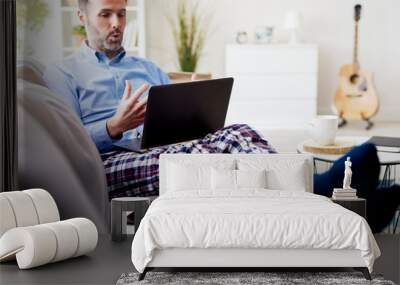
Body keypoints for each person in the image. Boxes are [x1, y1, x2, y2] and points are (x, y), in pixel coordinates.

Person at [44, 0, 399, 233]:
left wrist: (193, 108)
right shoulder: (65, 73)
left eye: (121, 13)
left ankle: (320, 197)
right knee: (212, 156)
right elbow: (65, 146)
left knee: (236, 133)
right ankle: (317, 194)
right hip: (110, 163)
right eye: (105, 14)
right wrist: (114, 126)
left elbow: (175, 120)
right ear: (82, 17)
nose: (116, 23)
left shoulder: (148, 67)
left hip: (163, 148)